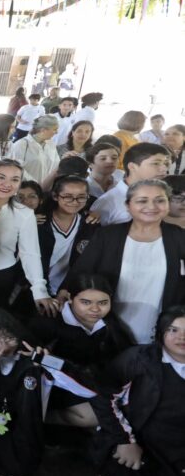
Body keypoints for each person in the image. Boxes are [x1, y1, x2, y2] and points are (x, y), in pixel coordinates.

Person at [0, 308, 94, 476]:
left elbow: (88, 390)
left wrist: (49, 362)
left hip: (22, 433)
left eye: (8, 338)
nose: (2, 346)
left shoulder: (36, 360)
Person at [92, 306, 185, 476]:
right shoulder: (139, 359)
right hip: (139, 442)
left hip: (179, 451)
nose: (181, 337)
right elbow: (103, 396)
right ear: (160, 332)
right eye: (173, 330)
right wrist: (125, 441)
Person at [69, 180, 185, 344]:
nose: (151, 206)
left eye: (160, 200)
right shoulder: (108, 236)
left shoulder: (179, 238)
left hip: (161, 330)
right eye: (142, 201)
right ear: (128, 205)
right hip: (108, 328)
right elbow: (81, 272)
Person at [29, 274, 130, 427]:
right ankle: (42, 420)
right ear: (70, 298)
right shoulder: (49, 321)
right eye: (85, 302)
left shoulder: (109, 322)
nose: (95, 309)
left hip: (93, 381)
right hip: (59, 383)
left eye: (103, 303)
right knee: (93, 417)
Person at [0, 160, 55, 316]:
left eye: (15, 179)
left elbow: (30, 253)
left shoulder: (24, 213)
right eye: (1, 177)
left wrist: (39, 289)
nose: (7, 184)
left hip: (1, 278)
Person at [90, 143, 172, 226]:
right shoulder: (108, 202)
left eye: (165, 164)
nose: (164, 169)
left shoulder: (168, 195)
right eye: (156, 163)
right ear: (132, 166)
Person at [9, 115, 60, 183]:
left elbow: (56, 165)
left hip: (46, 187)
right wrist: (34, 185)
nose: (57, 132)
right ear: (43, 130)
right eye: (54, 129)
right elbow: (15, 168)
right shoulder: (21, 144)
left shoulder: (51, 144)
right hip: (27, 187)